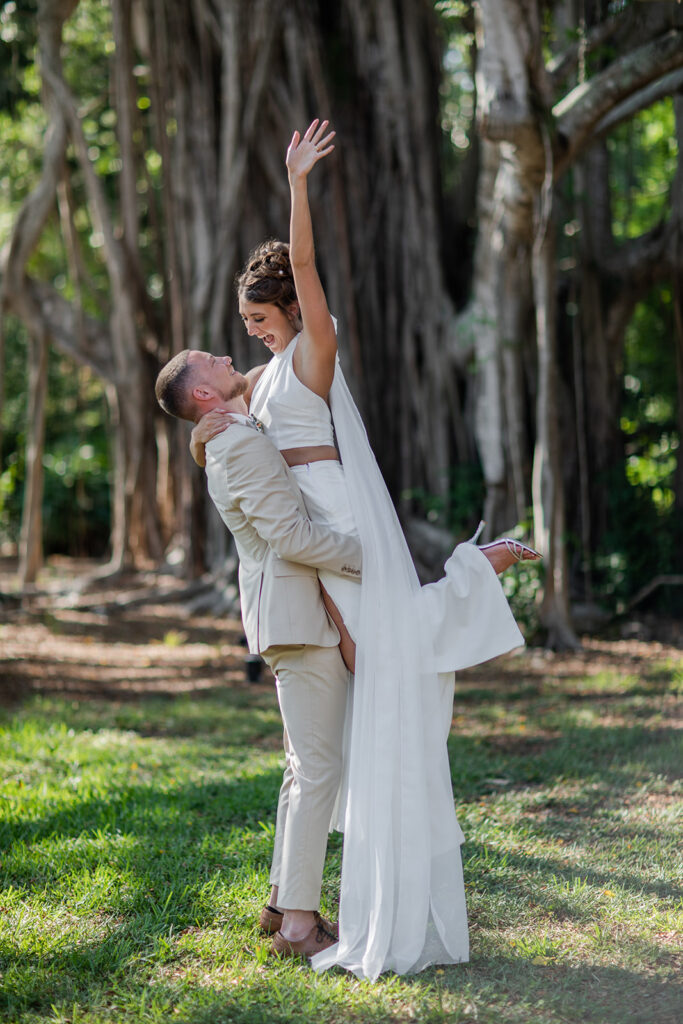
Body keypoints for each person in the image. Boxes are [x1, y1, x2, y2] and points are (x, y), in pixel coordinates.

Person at [189, 120, 539, 980]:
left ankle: (475, 567)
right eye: (244, 322)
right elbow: (224, 444)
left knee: (388, 649)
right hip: (309, 539)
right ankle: (476, 567)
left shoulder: (309, 353)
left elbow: (306, 273)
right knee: (379, 661)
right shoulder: (250, 389)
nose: (254, 330)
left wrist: (298, 184)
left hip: (335, 512)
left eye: (260, 316)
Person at [155, 349, 362, 959]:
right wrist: (367, 553)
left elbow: (260, 386)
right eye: (207, 361)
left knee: (304, 765)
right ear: (201, 398)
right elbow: (291, 536)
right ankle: (300, 926)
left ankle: (281, 903)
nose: (223, 355)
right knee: (319, 768)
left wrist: (200, 442)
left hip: (284, 615)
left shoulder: (230, 434)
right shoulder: (237, 444)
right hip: (296, 617)